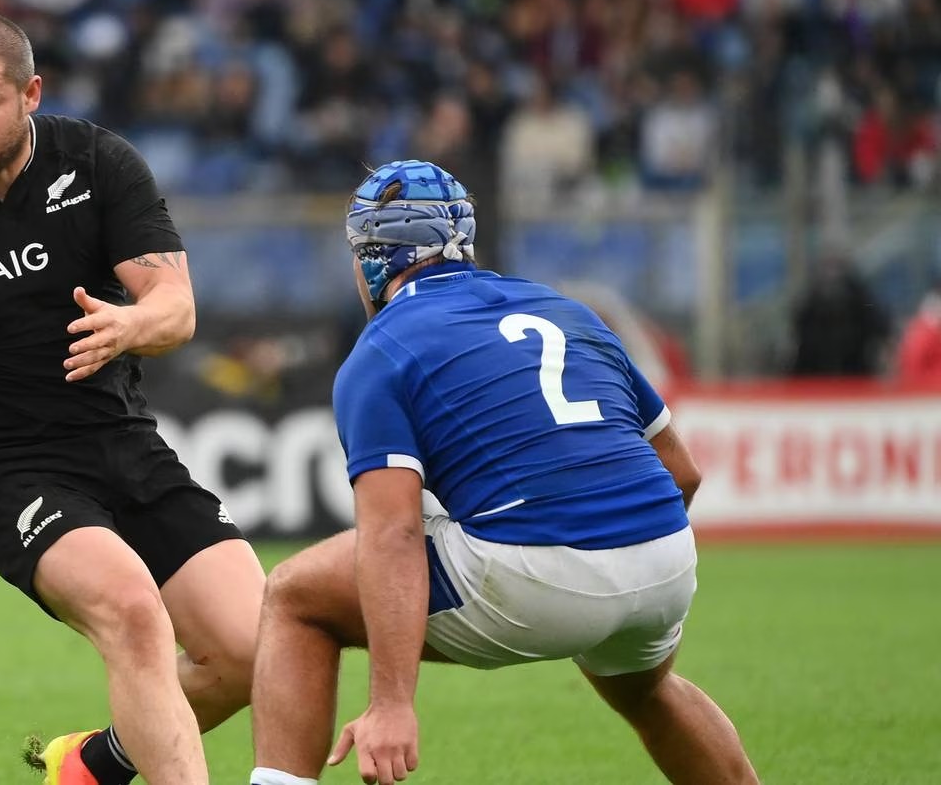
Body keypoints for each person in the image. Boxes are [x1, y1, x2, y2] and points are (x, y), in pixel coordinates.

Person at [0, 10, 265, 785]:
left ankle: (92, 765)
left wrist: (131, 324)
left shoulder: (99, 163)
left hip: (125, 443)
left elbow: (176, 306)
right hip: (9, 471)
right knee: (134, 614)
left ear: (31, 92)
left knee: (252, 652)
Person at [247, 160, 760, 785]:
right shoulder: (567, 309)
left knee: (297, 597)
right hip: (665, 560)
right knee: (648, 693)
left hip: (536, 577)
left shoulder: (382, 349)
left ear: (375, 258)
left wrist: (392, 705)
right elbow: (681, 472)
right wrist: (614, 556)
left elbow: (393, 535)